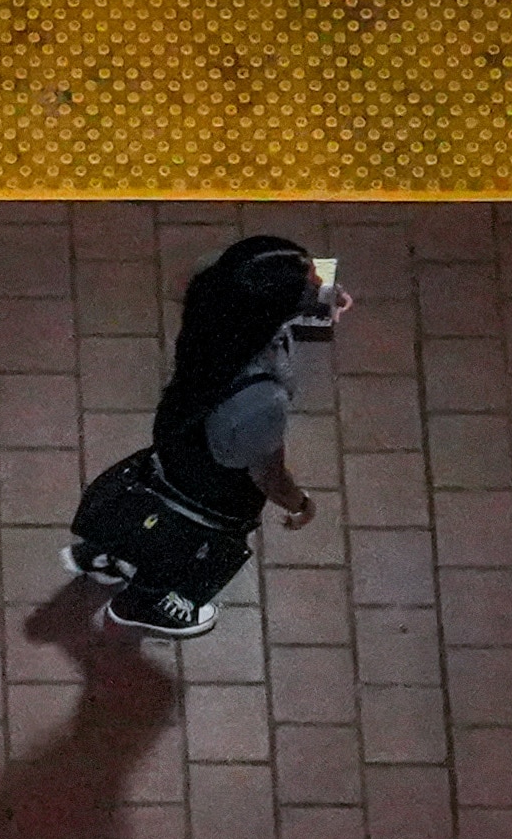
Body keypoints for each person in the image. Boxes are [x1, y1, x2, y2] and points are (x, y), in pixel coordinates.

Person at [65, 232, 344, 640]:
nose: (319, 285)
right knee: (185, 544)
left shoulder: (213, 303)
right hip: (214, 483)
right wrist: (300, 504)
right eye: (309, 284)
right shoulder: (261, 398)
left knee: (149, 500)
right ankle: (140, 605)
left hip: (178, 434)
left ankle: (103, 555)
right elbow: (266, 473)